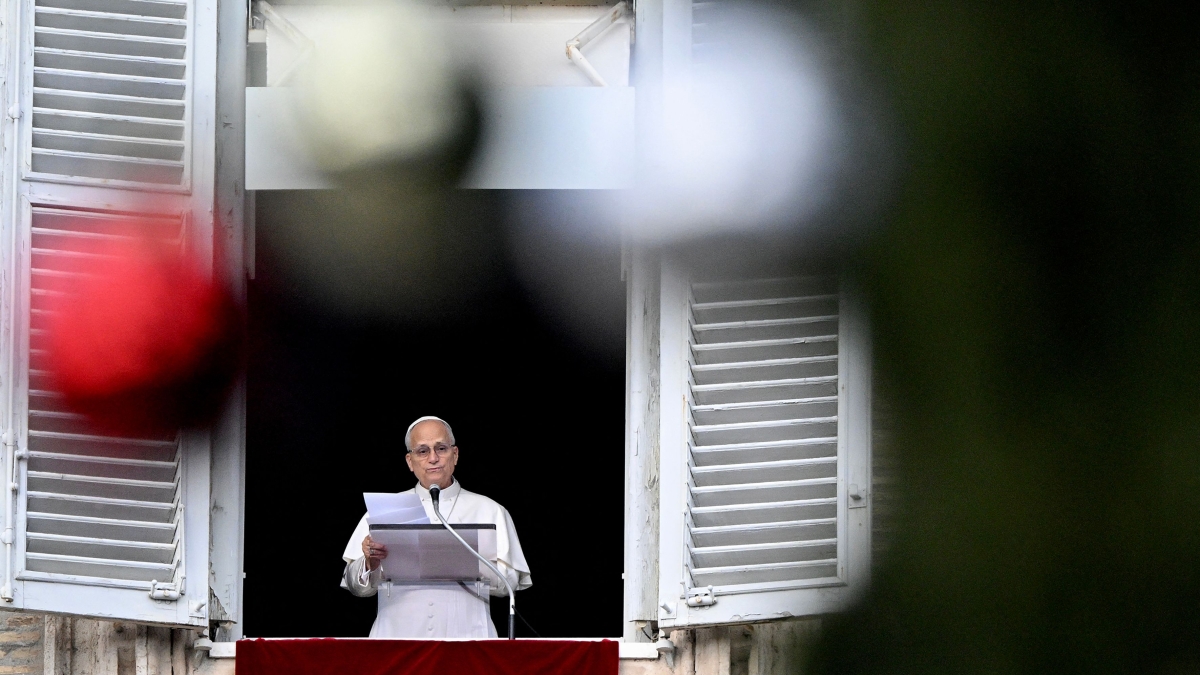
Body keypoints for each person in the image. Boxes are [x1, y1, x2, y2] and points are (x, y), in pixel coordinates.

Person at [341, 416, 532, 638]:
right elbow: (356, 587)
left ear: (455, 454)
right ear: (410, 461)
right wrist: (370, 562)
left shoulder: (490, 510)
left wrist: (467, 563)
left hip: (468, 638)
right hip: (398, 639)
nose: (433, 458)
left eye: (441, 448)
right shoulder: (384, 511)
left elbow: (510, 583)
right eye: (422, 451)